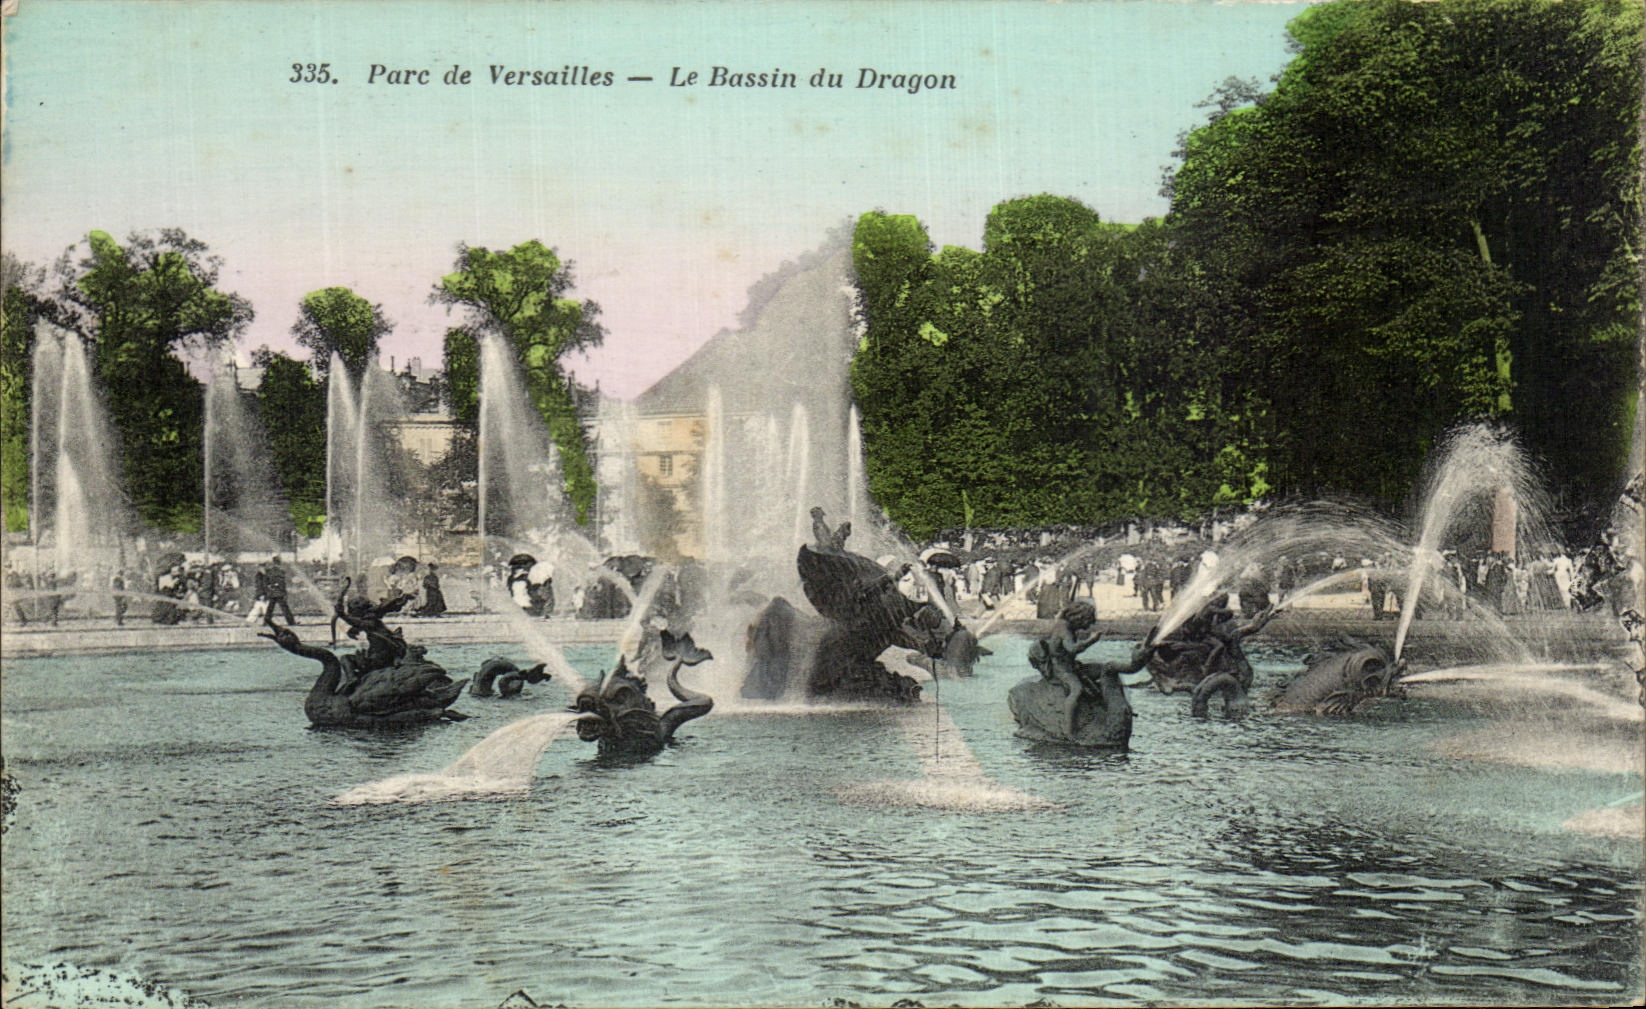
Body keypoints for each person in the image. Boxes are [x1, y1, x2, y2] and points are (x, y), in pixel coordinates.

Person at [263, 556, 296, 626]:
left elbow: (266, 582)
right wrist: (284, 592)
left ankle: (266, 622)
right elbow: (282, 583)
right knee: (285, 608)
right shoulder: (281, 571)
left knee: (270, 608)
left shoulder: (269, 571)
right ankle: (291, 622)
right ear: (279, 562)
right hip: (279, 592)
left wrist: (269, 588)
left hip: (272, 592)